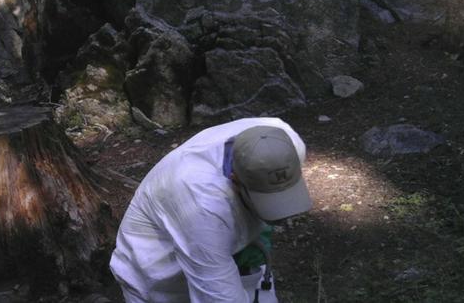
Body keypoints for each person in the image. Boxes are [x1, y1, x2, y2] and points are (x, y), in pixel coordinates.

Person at [109, 117, 312, 302]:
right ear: (235, 180)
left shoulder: (285, 141)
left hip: (218, 248)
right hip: (158, 277)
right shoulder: (201, 205)